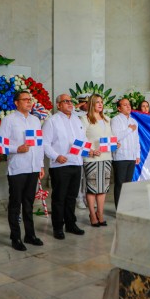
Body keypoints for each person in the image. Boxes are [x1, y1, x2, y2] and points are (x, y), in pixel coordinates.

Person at [0, 90, 45, 251]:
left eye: (30, 99)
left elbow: (39, 144)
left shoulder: (35, 120)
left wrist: (40, 165)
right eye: (25, 99)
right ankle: (15, 237)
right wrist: (16, 148)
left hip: (32, 167)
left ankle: (30, 234)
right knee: (15, 203)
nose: (28, 102)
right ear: (16, 103)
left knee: (28, 203)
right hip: (17, 167)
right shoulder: (9, 120)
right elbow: (1, 144)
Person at [42, 94, 87, 240]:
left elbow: (83, 139)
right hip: (60, 164)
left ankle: (71, 224)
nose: (69, 104)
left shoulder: (76, 120)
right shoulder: (52, 121)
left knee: (72, 197)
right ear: (59, 105)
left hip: (76, 162)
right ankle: (57, 227)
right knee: (59, 198)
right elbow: (45, 143)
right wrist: (56, 156)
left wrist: (89, 150)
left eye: (70, 101)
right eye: (66, 101)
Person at [81, 94, 114, 227]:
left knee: (103, 188)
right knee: (92, 188)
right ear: (92, 104)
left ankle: (100, 213)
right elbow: (81, 138)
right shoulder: (85, 119)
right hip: (91, 157)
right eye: (97, 102)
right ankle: (92, 214)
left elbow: (110, 136)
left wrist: (114, 143)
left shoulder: (107, 119)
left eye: (101, 102)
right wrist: (90, 150)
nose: (100, 104)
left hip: (106, 156)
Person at [111, 98, 141, 208]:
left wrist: (137, 154)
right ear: (119, 108)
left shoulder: (134, 122)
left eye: (129, 104)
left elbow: (137, 140)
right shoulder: (115, 120)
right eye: (125, 105)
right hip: (120, 157)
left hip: (131, 156)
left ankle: (126, 207)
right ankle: (119, 209)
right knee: (120, 184)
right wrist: (129, 130)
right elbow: (115, 137)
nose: (128, 106)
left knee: (128, 185)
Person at [73, 94, 90, 210]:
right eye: (85, 103)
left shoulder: (92, 114)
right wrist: (77, 106)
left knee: (87, 174)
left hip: (89, 147)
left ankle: (86, 196)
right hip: (79, 148)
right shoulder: (76, 115)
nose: (87, 106)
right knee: (80, 175)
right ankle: (79, 197)